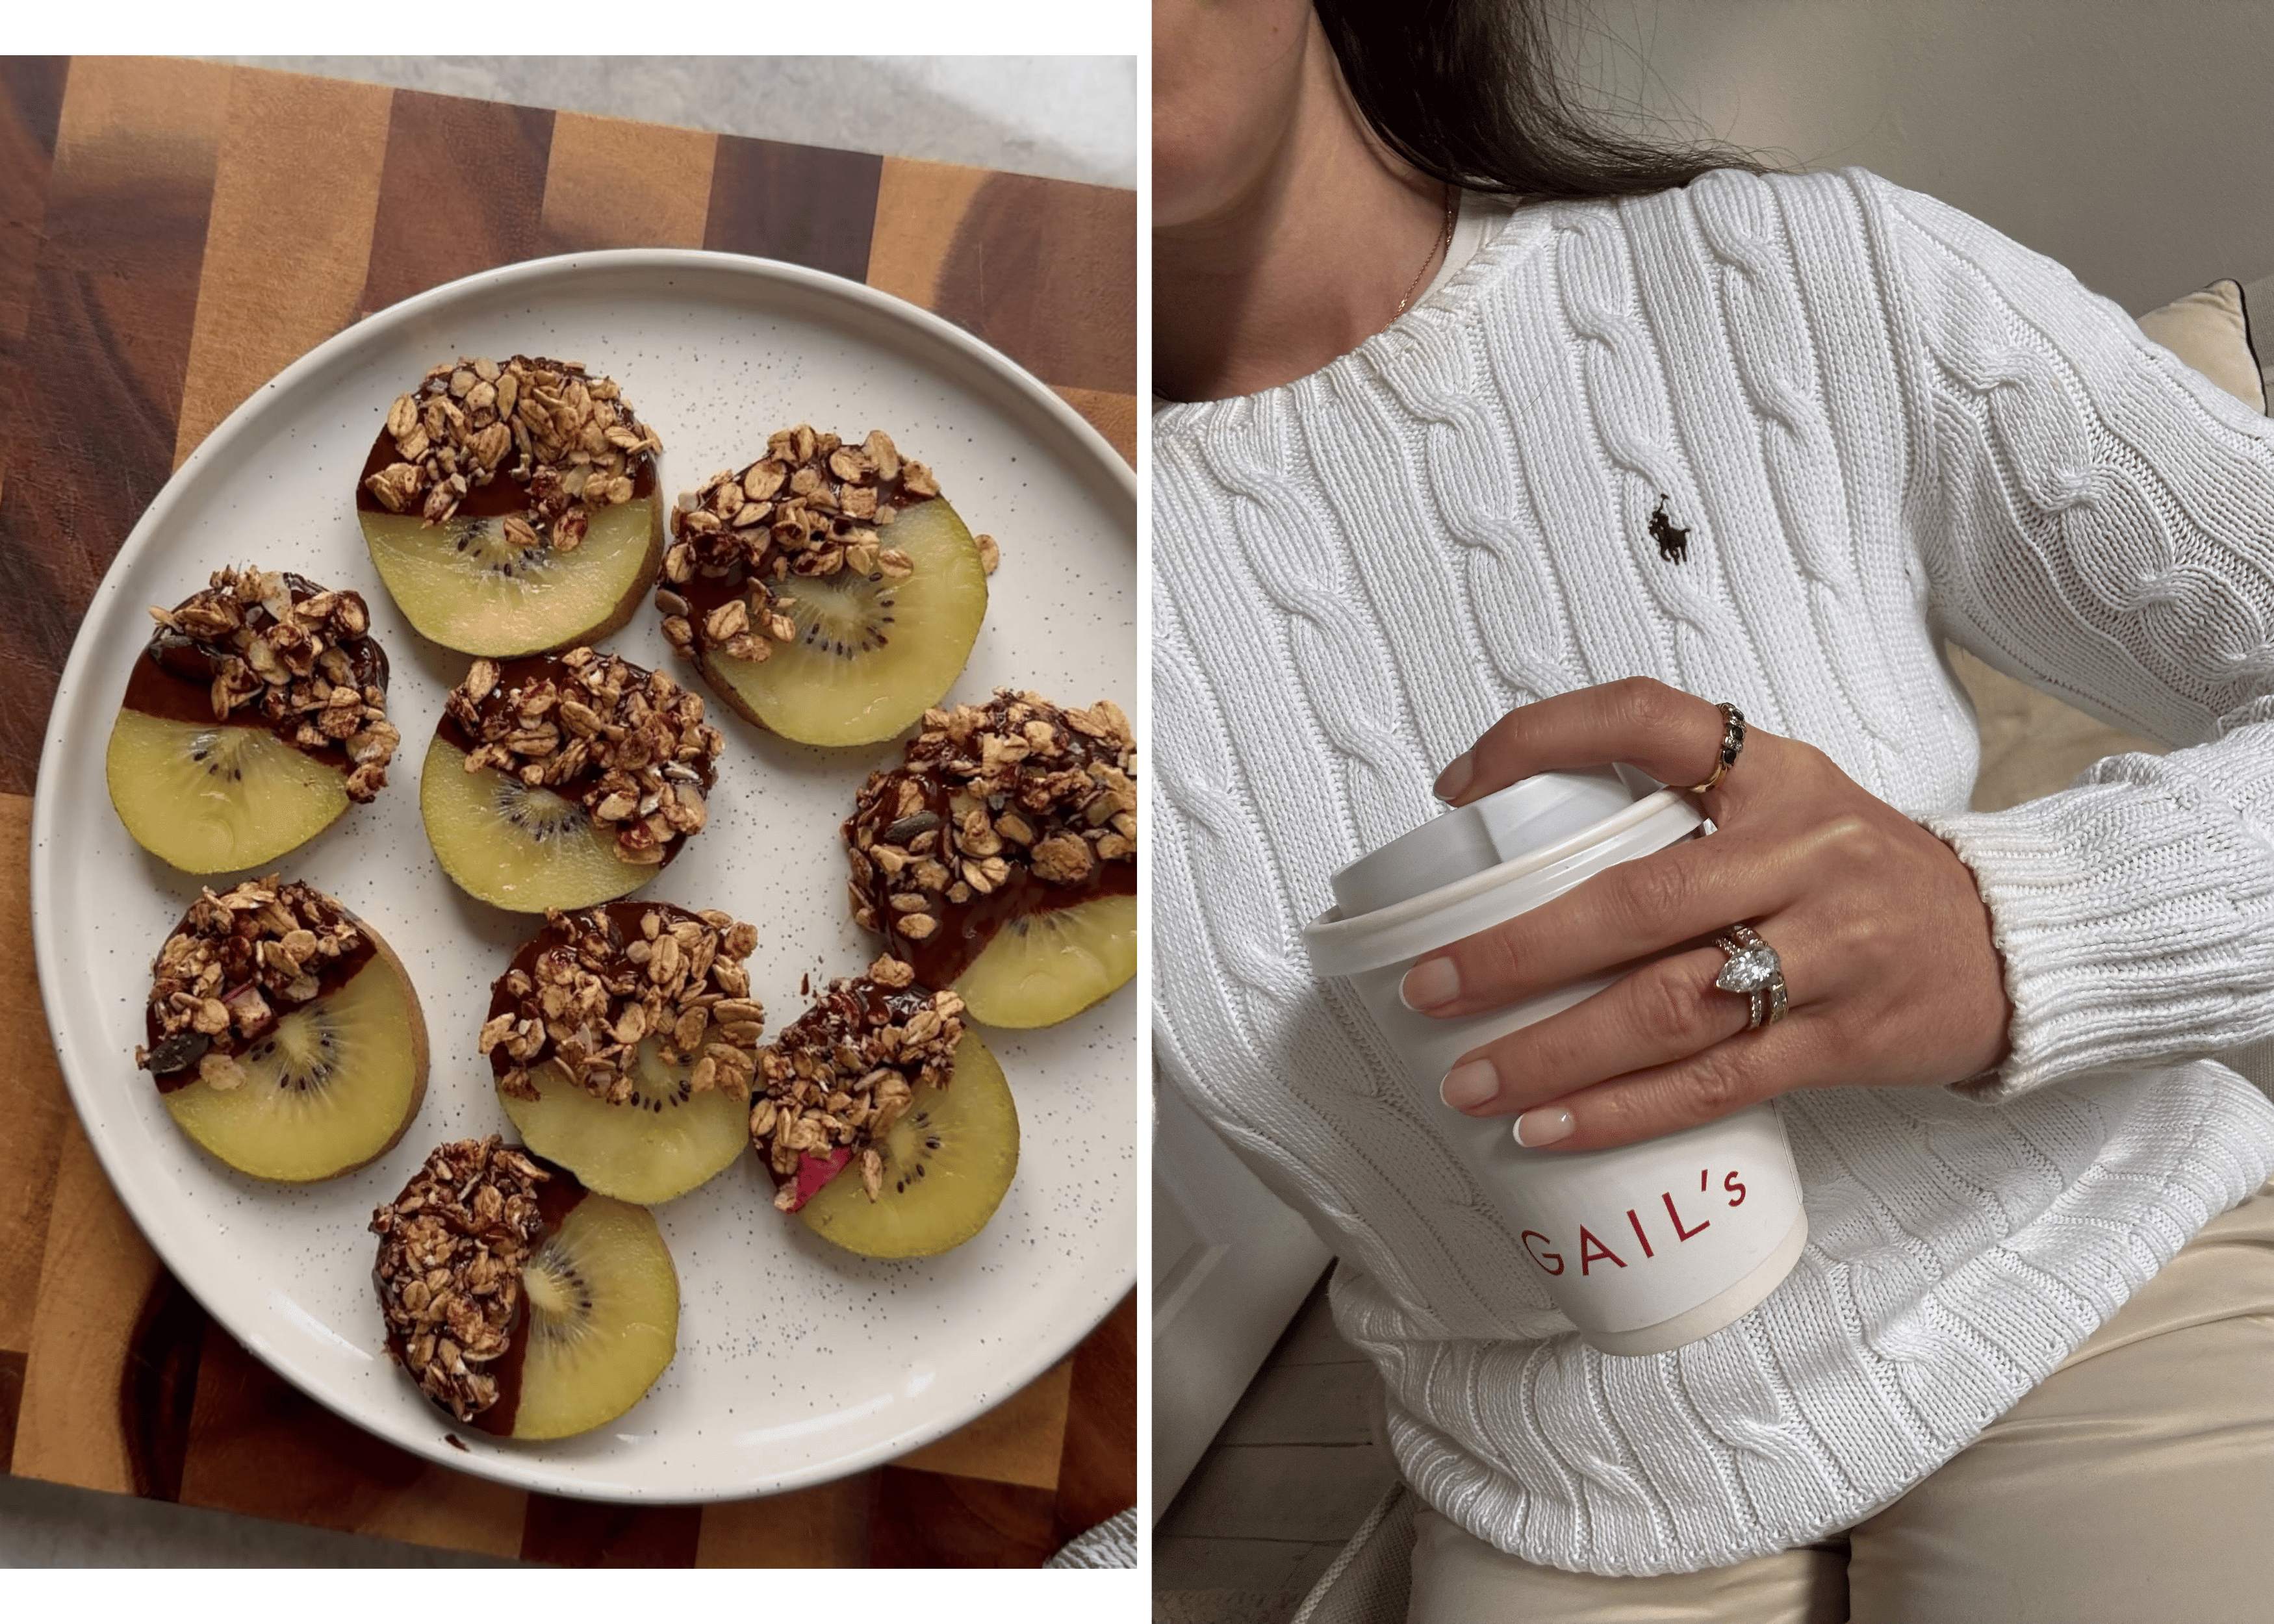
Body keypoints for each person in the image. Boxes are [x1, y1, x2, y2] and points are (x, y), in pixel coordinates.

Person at [1150, 1, 2274, 1618]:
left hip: (2087, 1268)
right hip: (1559, 1478)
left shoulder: (1805, 279)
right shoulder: (970, 609)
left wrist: (2025, 927)